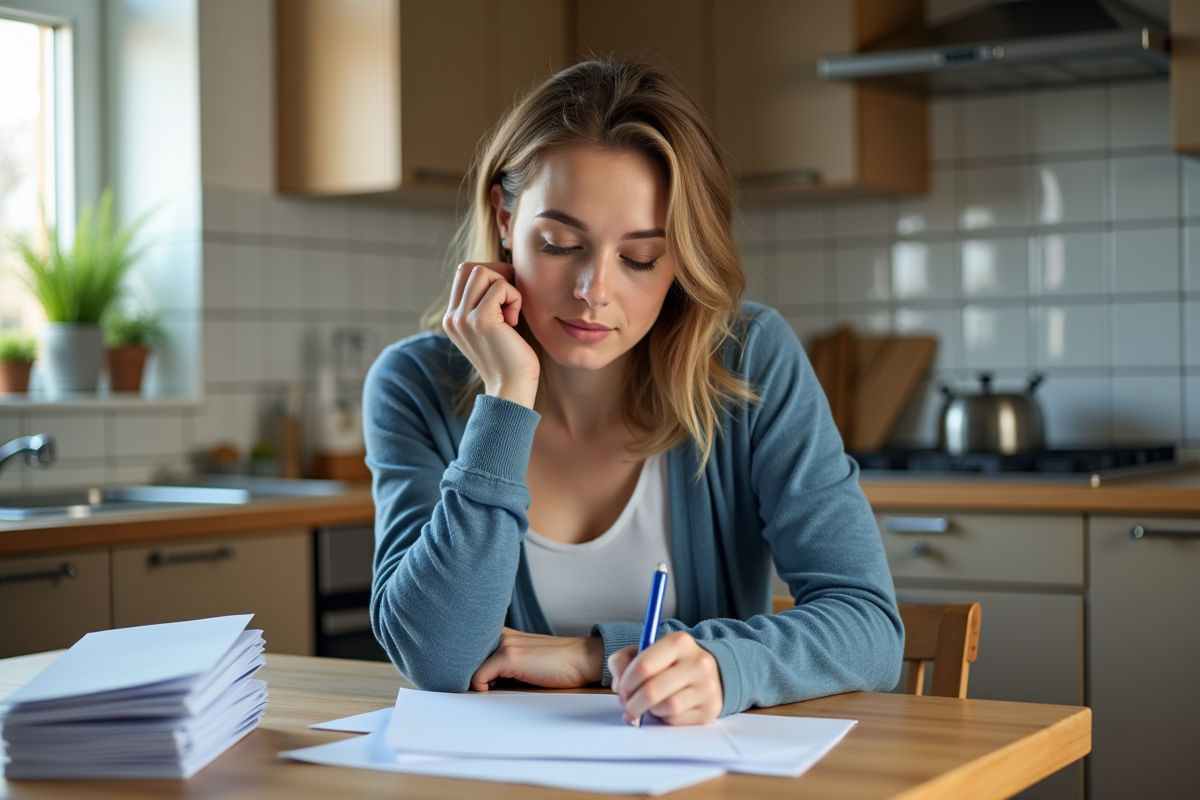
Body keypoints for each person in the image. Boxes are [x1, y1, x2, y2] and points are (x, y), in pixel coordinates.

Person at [365, 59, 903, 726]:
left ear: (681, 256)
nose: (594, 290)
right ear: (505, 216)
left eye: (641, 258)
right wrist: (507, 396)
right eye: (561, 244)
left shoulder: (748, 360)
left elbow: (871, 630)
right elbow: (437, 657)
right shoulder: (414, 385)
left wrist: (616, 657)